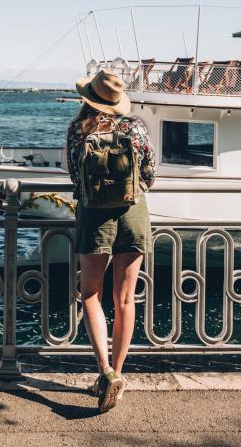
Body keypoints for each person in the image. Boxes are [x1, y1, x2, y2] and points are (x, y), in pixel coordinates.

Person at [66, 69, 156, 413]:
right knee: (124, 299)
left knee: (90, 293)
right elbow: (149, 174)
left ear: (88, 99)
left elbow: (75, 176)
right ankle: (118, 372)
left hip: (93, 214)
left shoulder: (78, 130)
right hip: (133, 213)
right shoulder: (135, 127)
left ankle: (104, 371)